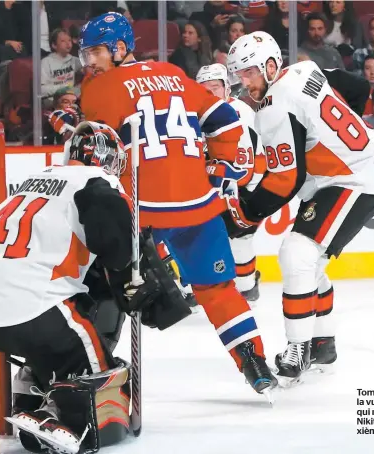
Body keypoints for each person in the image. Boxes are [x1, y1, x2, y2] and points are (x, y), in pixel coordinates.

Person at [78, 12, 277, 397]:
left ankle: (91, 369)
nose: (90, 62)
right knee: (218, 289)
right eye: (86, 54)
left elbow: (94, 150)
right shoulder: (173, 73)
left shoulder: (100, 88)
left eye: (97, 52)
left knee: (107, 287)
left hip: (140, 210)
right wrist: (218, 171)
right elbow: (225, 119)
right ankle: (253, 361)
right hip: (198, 205)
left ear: (120, 49)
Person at [227, 31, 374, 382]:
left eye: (249, 72)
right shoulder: (305, 69)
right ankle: (323, 342)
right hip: (349, 170)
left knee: (297, 252)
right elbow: (358, 87)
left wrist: (245, 213)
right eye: (240, 75)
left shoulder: (273, 108)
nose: (245, 82)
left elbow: (286, 180)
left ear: (270, 66)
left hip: (352, 178)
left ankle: (298, 350)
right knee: (308, 261)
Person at [0, 122, 133, 454]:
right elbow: (121, 254)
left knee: (52, 328)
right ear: (109, 159)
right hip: (32, 309)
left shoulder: (30, 182)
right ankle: (64, 416)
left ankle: (28, 388)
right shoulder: (97, 182)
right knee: (96, 362)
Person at [196, 63, 265, 302]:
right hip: (212, 187)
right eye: (204, 89)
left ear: (226, 88)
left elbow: (244, 168)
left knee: (240, 240)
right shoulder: (194, 115)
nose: (210, 93)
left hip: (243, 189)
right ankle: (192, 288)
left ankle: (248, 285)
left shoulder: (239, 112)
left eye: (215, 87)